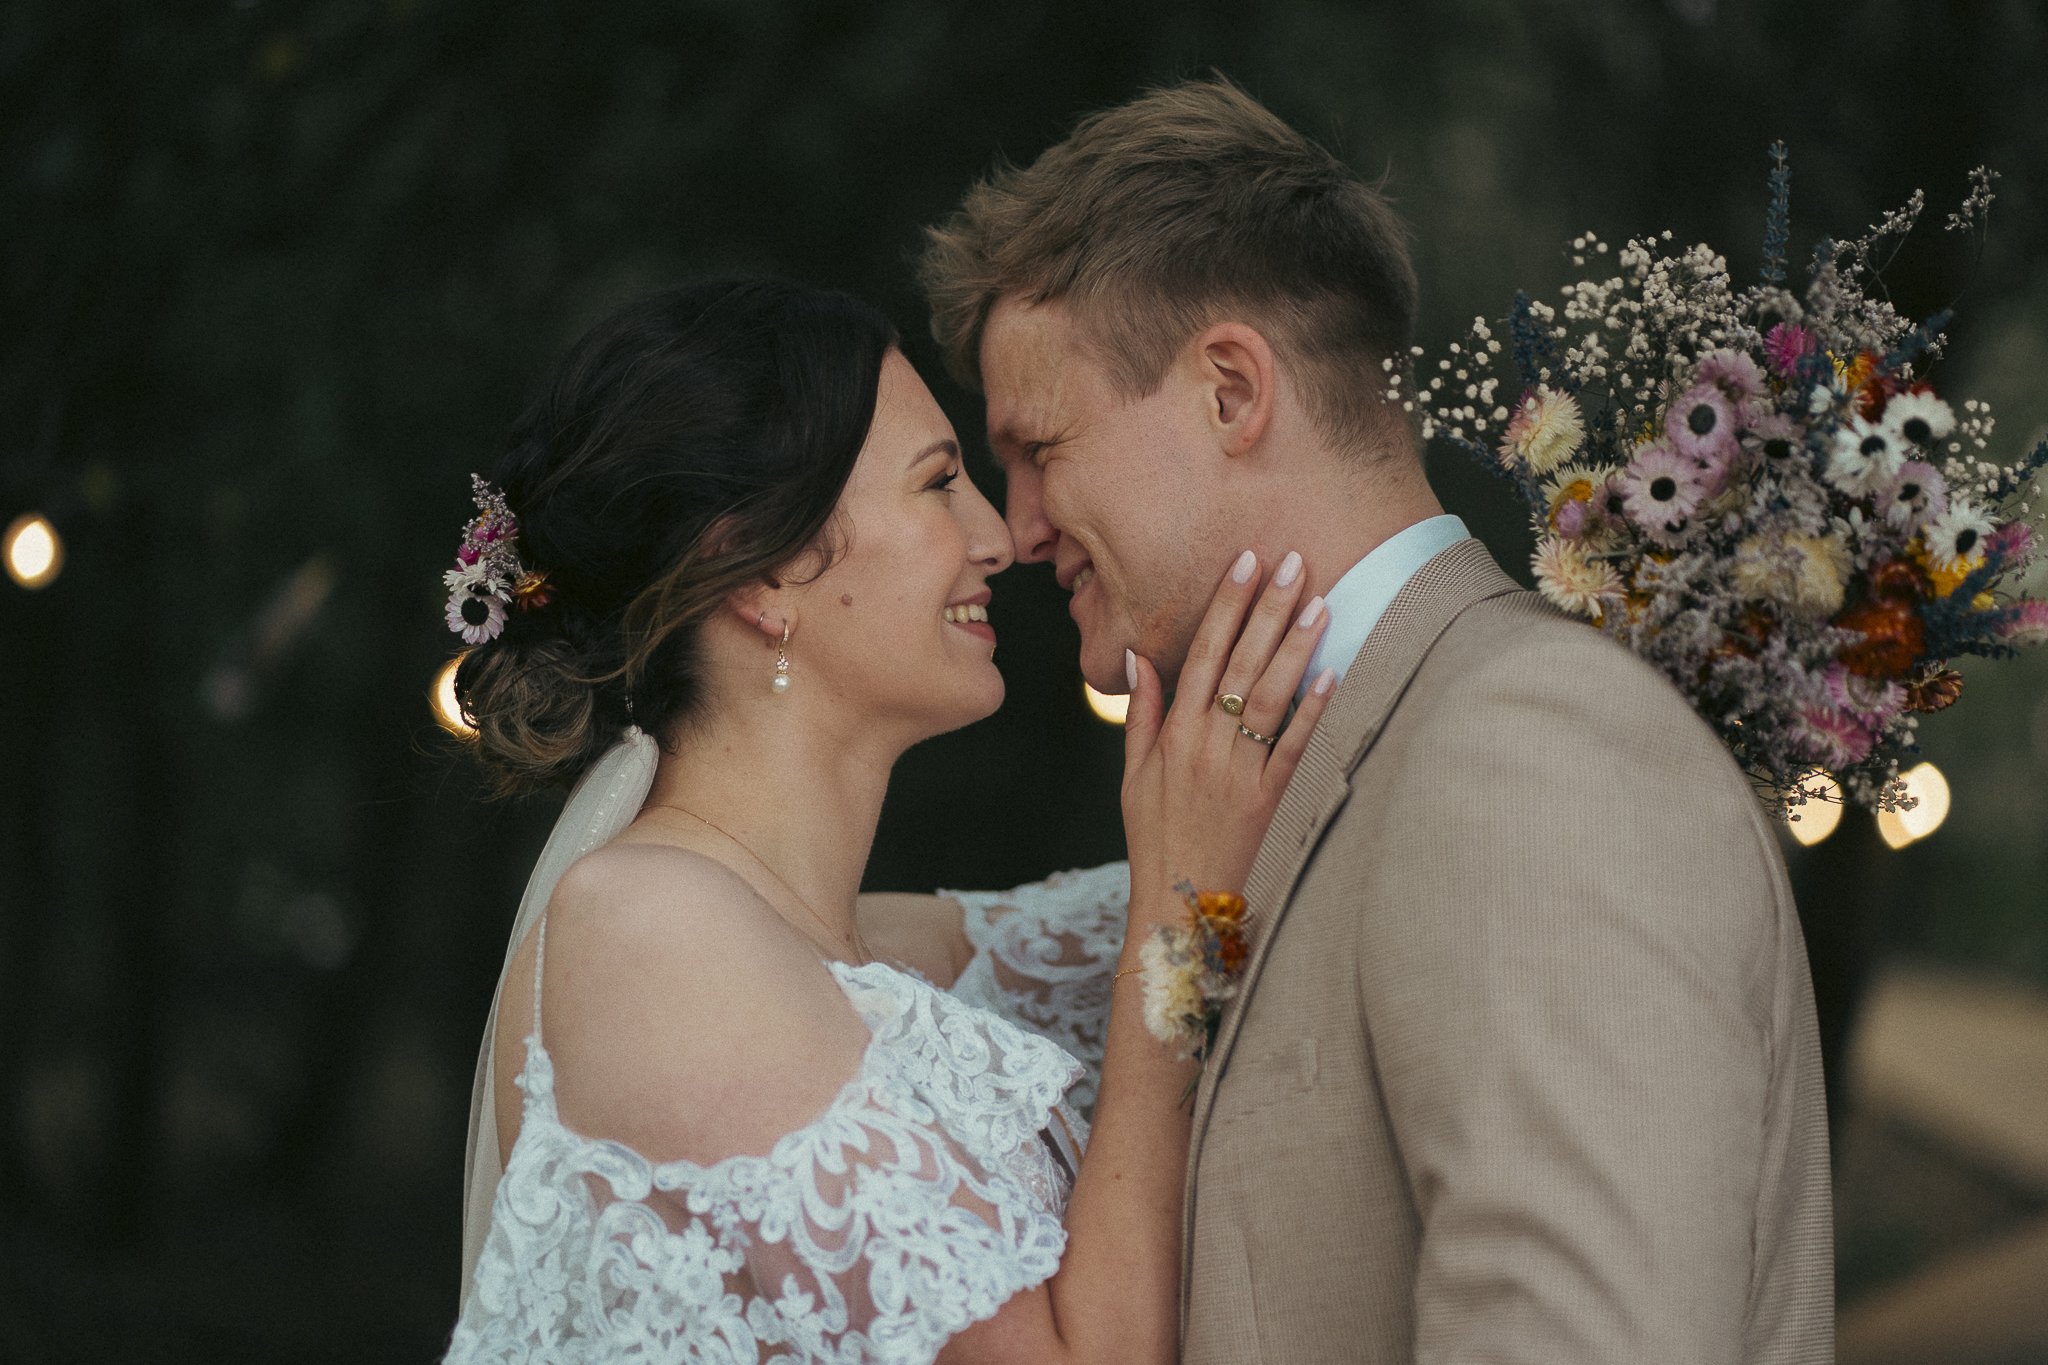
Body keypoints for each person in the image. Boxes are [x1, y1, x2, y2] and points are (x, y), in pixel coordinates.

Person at [919, 78, 1835, 1362]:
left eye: (1039, 447)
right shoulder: (1297, 768)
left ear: (1230, 391)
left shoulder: (1532, 741)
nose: (1014, 530)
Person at [443, 278, 1336, 1362]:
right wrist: (1181, 918)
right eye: (938, 481)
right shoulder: (646, 932)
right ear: (762, 570)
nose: (1000, 536)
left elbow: (1298, 881)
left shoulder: (875, 957)